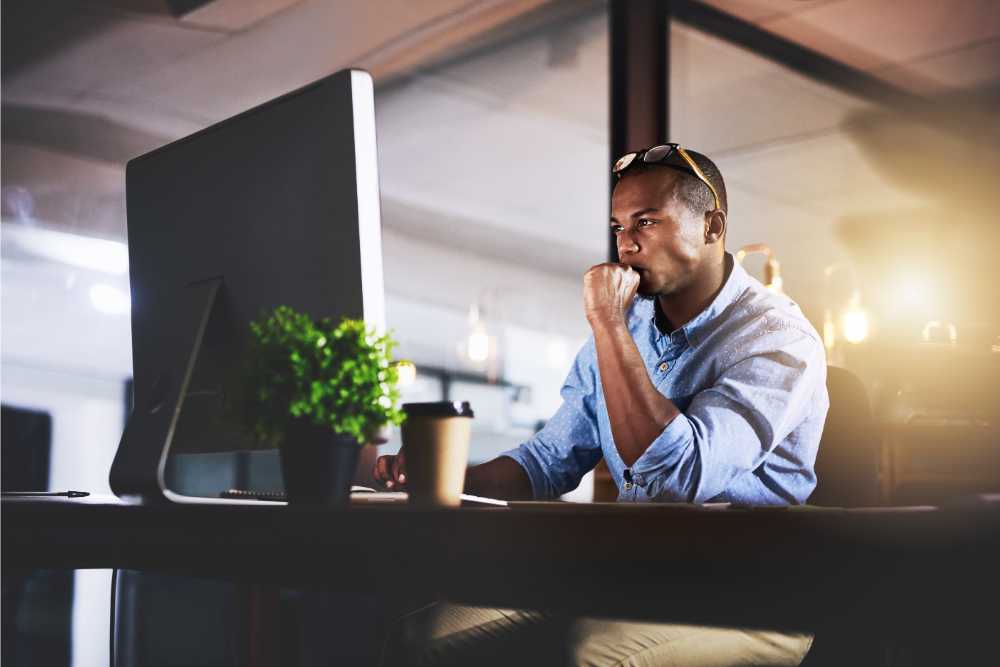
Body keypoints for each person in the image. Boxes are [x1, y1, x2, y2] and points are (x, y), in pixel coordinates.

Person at [375, 144, 828, 666]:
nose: (626, 245)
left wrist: (607, 322)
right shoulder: (629, 324)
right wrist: (448, 479)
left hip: (749, 590)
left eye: (647, 222)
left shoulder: (777, 338)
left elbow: (678, 479)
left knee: (598, 659)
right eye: (617, 227)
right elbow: (547, 462)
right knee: (420, 637)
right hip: (629, 569)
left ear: (711, 226)